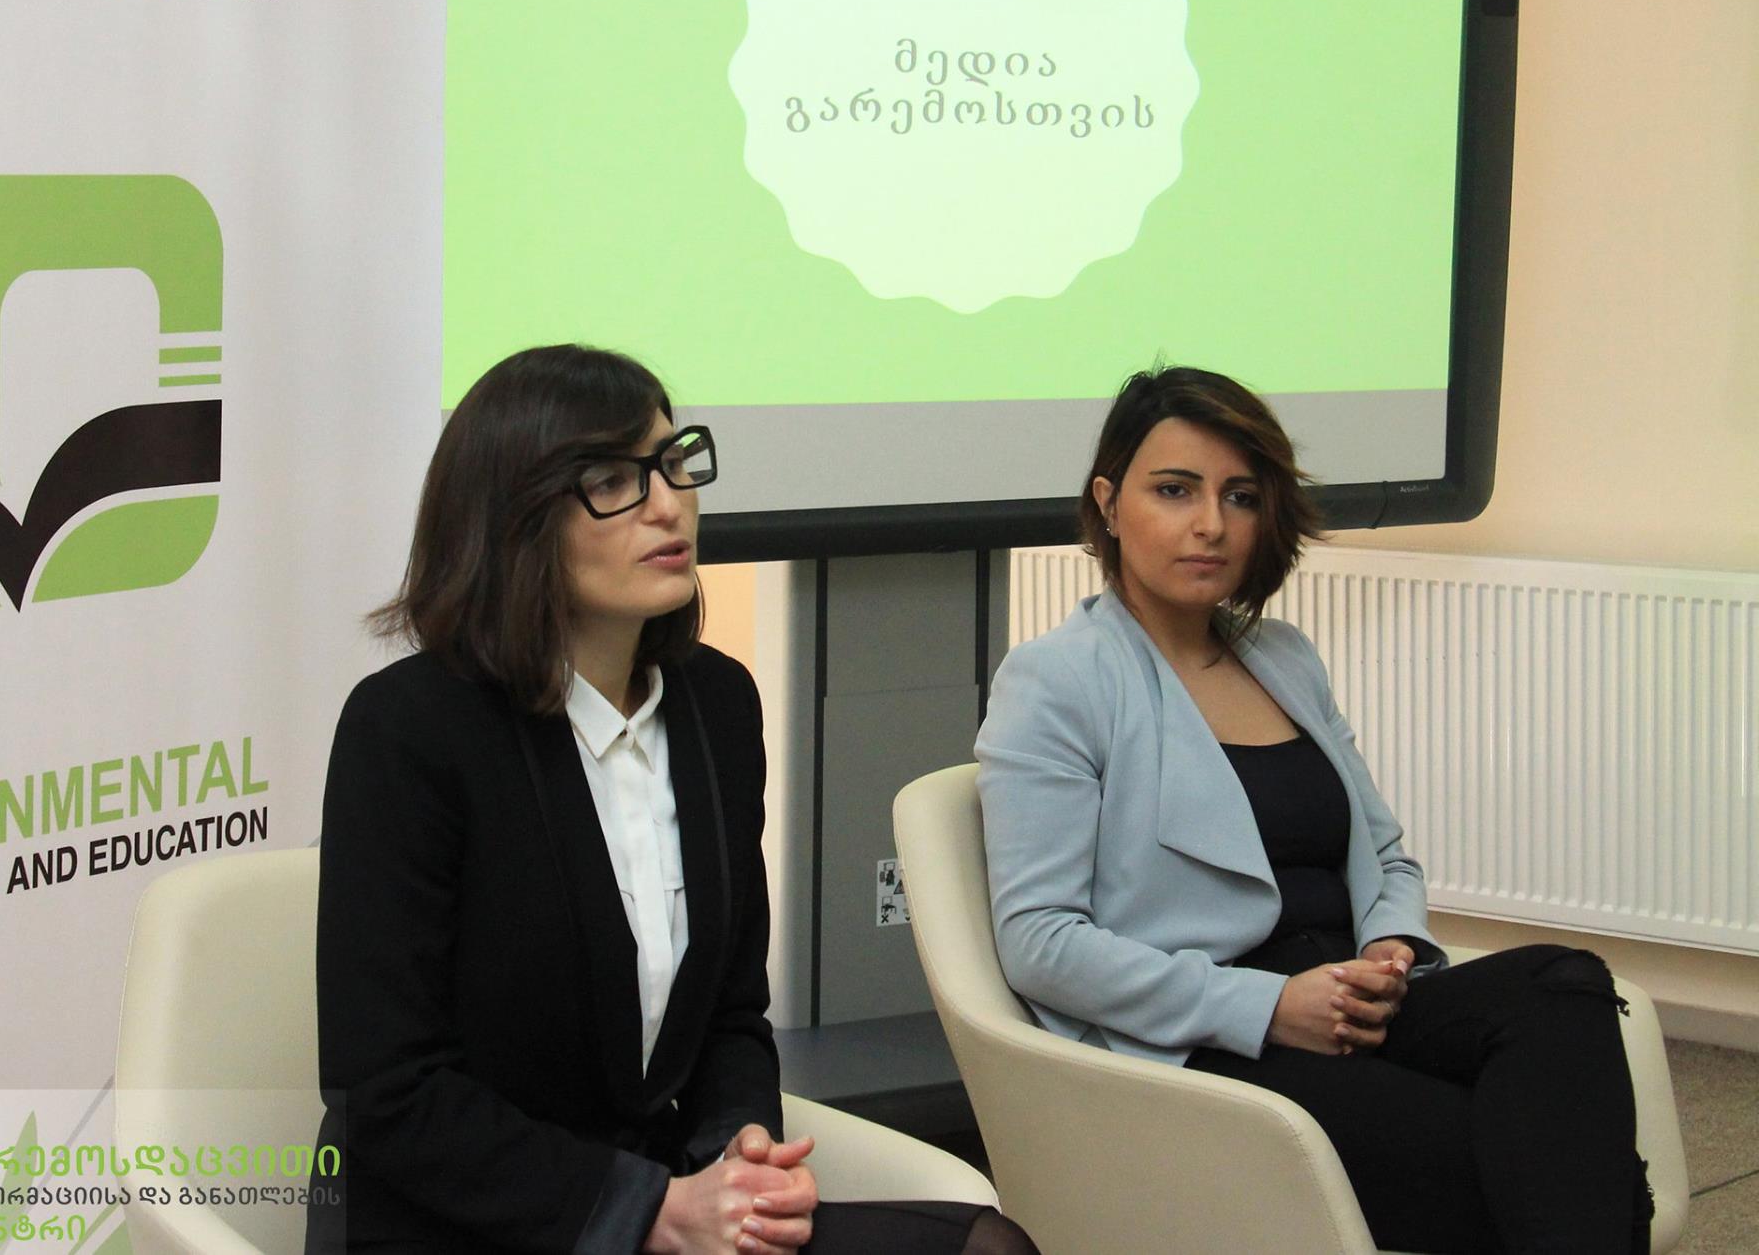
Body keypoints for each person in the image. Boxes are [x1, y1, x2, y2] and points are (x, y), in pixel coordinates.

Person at [313, 345, 1035, 1254]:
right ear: (513, 517)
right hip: (467, 1223)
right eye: (613, 481)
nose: (668, 503)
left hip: (668, 1198)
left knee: (988, 1244)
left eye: (672, 463)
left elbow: (732, 1013)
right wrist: (649, 1209)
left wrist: (741, 1148)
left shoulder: (715, 704)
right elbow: (386, 1087)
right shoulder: (411, 727)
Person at [975, 365, 1651, 1254]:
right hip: (1207, 1036)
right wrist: (1268, 1004)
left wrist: (1389, 946)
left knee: (1564, 984)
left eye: (1240, 496)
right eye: (1174, 490)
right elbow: (1040, 941)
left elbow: (1385, 856)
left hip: (1352, 997)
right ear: (1108, 503)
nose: (1211, 524)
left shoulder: (1284, 656)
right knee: (1539, 1159)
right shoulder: (1056, 678)